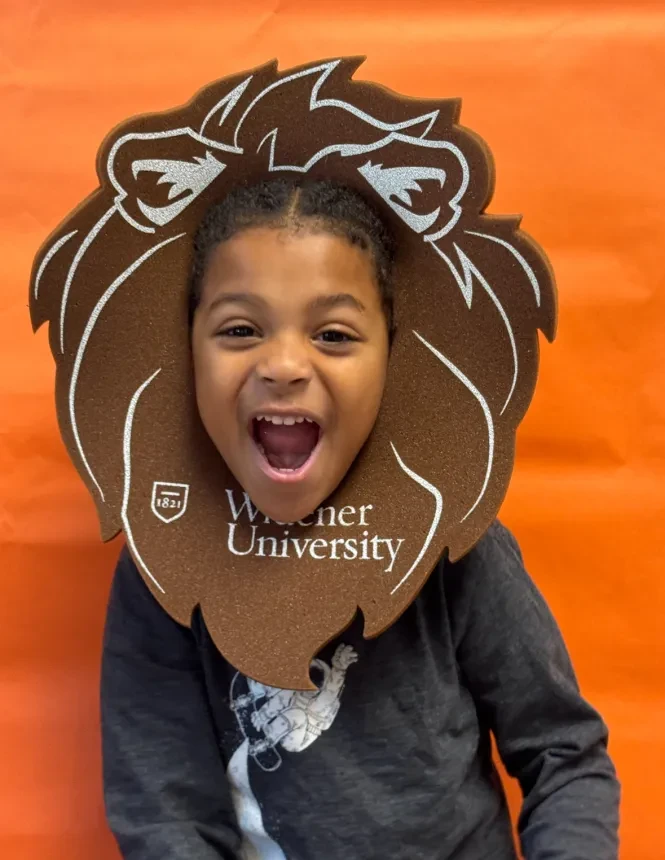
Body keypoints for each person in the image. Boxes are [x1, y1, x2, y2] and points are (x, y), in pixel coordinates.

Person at [101, 178, 620, 860]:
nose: (284, 364)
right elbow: (163, 814)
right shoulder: (162, 567)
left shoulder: (455, 542)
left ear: (391, 359)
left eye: (334, 334)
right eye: (239, 328)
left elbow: (564, 753)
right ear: (186, 354)